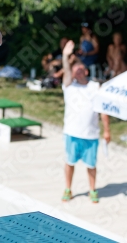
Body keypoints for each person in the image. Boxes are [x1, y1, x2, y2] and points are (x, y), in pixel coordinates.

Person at [61, 40, 110, 203]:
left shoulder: (95, 87)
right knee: (69, 162)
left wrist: (107, 130)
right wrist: (65, 56)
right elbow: (67, 70)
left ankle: (92, 190)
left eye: (81, 68)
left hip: (91, 134)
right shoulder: (68, 86)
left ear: (87, 71)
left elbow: (103, 110)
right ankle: (68, 189)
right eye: (75, 68)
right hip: (72, 133)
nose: (78, 70)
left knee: (91, 165)